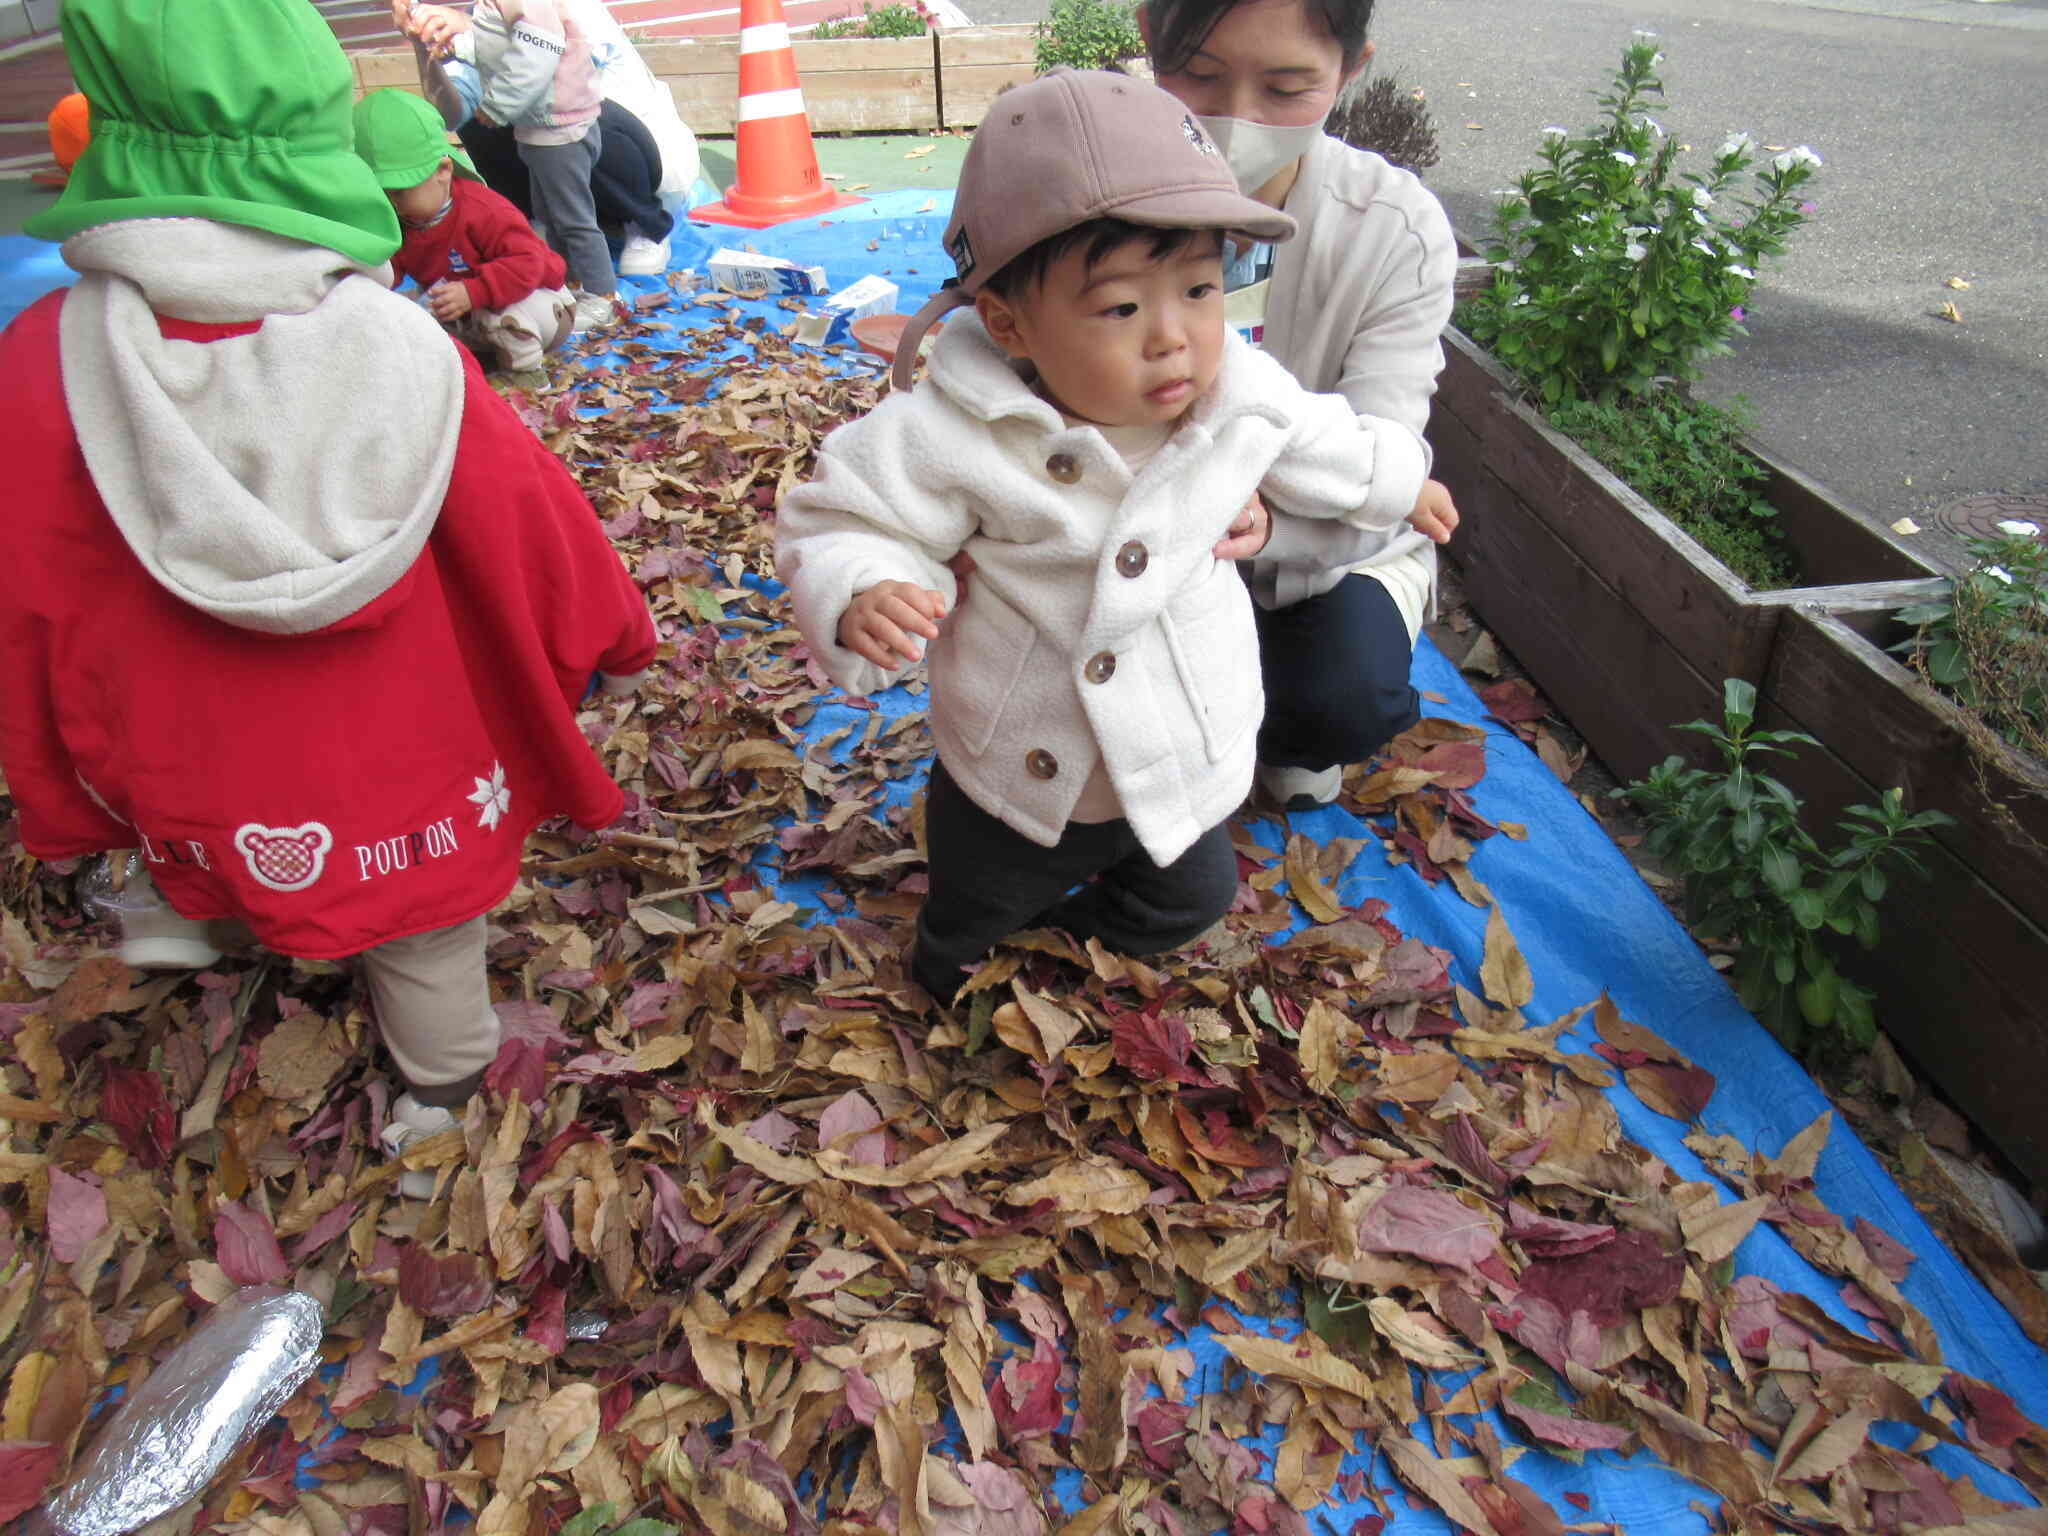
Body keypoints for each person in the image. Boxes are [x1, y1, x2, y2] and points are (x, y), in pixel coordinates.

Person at [0, 0, 658, 1194]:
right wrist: (612, 631)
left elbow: (27, 592)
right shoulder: (398, 348)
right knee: (423, 933)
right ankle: (441, 1101)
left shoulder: (45, 358)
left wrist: (60, 783)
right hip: (410, 770)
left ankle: (205, 910)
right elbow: (534, 528)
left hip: (196, 767)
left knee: (230, 843)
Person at [775, 70, 1451, 1004]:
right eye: (1122, 308)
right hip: (1022, 760)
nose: (1173, 337)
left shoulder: (1239, 393)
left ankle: (1067, 948)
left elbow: (1325, 439)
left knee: (1191, 900)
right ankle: (963, 979)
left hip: (1183, 743)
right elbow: (848, 515)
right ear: (1009, 322)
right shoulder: (955, 429)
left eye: (1203, 289)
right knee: (970, 922)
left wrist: (1403, 483)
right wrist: (863, 588)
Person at [1140, 0, 1462, 809]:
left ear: (1351, 69)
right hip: (1132, 531)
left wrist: (1274, 524)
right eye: (1201, 77)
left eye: (1287, 88)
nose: (1238, 121)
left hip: (1314, 551)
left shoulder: (1395, 232)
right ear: (1149, 34)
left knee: (1335, 699)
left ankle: (1283, 731)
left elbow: (1382, 459)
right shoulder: (1089, 188)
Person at [393, 0, 623, 333]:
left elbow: (536, 53)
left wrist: (499, 104)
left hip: (559, 130)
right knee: (551, 214)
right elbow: (498, 42)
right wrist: (457, 46)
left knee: (573, 218)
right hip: (540, 128)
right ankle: (567, 281)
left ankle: (604, 298)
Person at [399, 2, 675, 277]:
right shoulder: (482, 14)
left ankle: (641, 224)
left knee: (578, 197)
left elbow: (541, 49)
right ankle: (540, 230)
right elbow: (450, 116)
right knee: (483, 120)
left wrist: (472, 28)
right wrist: (427, 50)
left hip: (605, 131)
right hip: (540, 137)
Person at [354, 87, 576, 389]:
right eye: (381, 196)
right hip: (467, 309)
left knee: (501, 317)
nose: (392, 205)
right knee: (414, 317)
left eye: (399, 193)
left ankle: (527, 374)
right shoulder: (403, 221)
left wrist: (475, 291)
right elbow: (387, 271)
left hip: (540, 305)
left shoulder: (482, 209)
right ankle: (483, 360)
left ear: (443, 170)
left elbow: (529, 262)